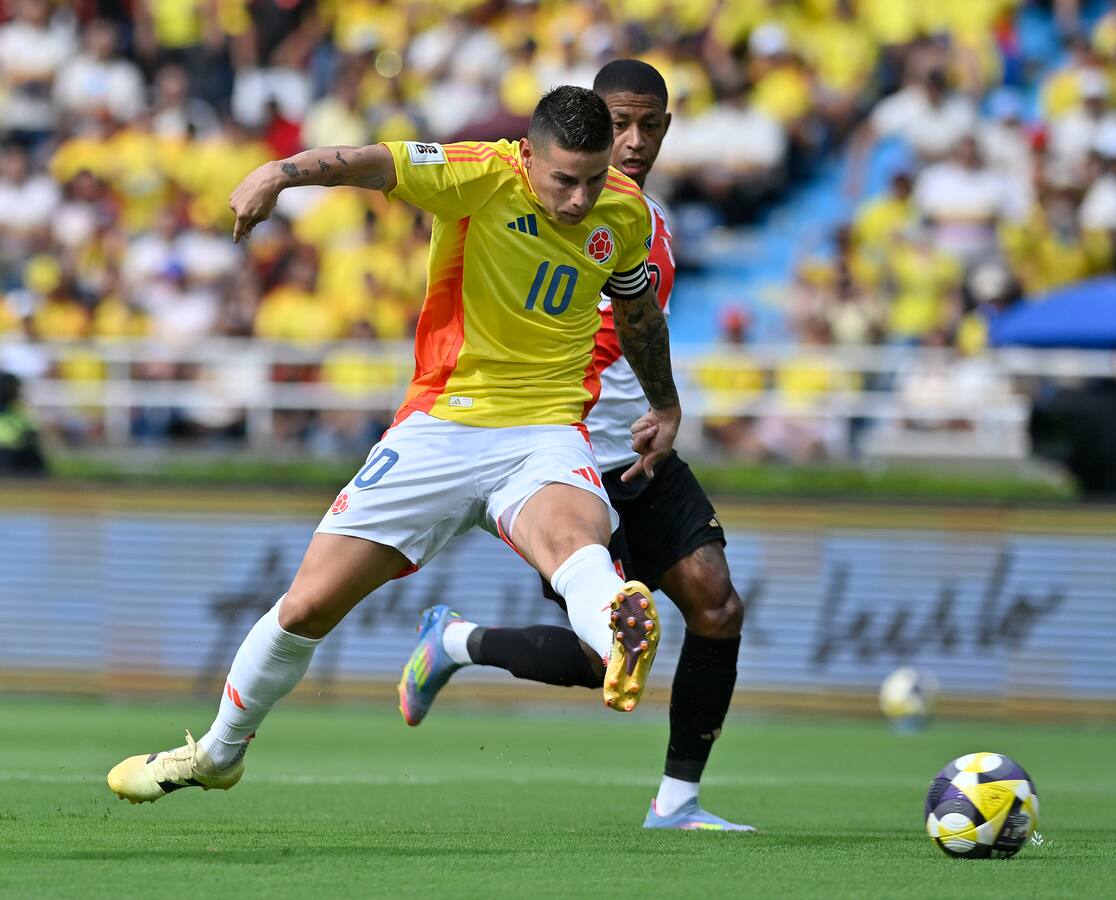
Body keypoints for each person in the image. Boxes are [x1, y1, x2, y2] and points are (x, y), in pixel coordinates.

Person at [106, 85, 682, 804]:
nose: (578, 200)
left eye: (593, 179)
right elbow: (367, 162)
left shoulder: (622, 211)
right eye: (565, 180)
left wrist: (663, 400)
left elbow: (637, 316)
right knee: (307, 606)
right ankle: (219, 754)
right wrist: (273, 175)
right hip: (442, 424)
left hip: (544, 432)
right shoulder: (478, 171)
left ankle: (618, 630)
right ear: (529, 155)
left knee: (576, 549)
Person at [396, 60, 753, 832]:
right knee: (604, 661)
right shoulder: (548, 208)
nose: (632, 140)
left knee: (717, 606)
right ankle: (455, 642)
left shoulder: (646, 222)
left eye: (649, 125)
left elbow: (638, 333)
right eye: (617, 123)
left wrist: (664, 403)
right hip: (566, 460)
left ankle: (678, 804)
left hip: (641, 454)